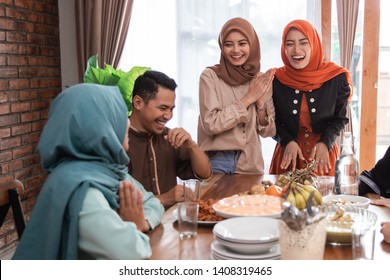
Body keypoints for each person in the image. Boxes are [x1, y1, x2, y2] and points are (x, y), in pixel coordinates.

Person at [12, 84, 164, 260]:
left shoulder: (105, 172)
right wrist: (134, 226)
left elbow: (153, 202)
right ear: (97, 127)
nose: (127, 122)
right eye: (115, 115)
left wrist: (143, 222)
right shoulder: (82, 191)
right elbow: (132, 253)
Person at [269, 19, 352, 176]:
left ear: (313, 44)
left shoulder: (336, 77)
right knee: (282, 199)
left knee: (326, 200)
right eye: (289, 43)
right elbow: (270, 122)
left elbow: (340, 119)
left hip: (322, 156)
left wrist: (325, 142)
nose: (296, 50)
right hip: (288, 156)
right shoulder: (275, 79)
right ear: (283, 48)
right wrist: (286, 141)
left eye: (303, 42)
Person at [197, 17, 276, 175]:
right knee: (212, 201)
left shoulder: (261, 80)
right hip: (215, 160)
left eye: (242, 43)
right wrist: (249, 98)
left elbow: (269, 131)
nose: (235, 50)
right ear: (222, 47)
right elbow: (211, 124)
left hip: (250, 161)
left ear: (252, 45)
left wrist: (260, 104)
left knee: (251, 201)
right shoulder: (209, 76)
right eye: (228, 44)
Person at [127, 70, 211, 208]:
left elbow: (205, 173)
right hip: (135, 227)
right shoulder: (117, 140)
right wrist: (165, 199)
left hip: (170, 225)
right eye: (163, 108)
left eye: (171, 109)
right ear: (138, 103)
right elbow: (116, 203)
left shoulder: (168, 137)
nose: (168, 116)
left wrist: (192, 146)